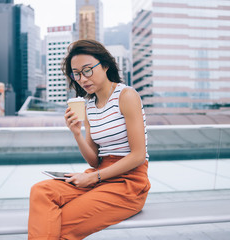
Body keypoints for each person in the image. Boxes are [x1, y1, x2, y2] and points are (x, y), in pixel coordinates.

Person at [28, 39, 150, 240]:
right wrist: (76, 133)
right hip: (100, 175)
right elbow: (94, 160)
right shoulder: (89, 105)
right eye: (76, 74)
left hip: (129, 182)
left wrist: (94, 177)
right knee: (41, 191)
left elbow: (138, 156)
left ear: (105, 65)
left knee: (58, 224)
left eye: (87, 70)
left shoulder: (126, 96)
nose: (82, 79)